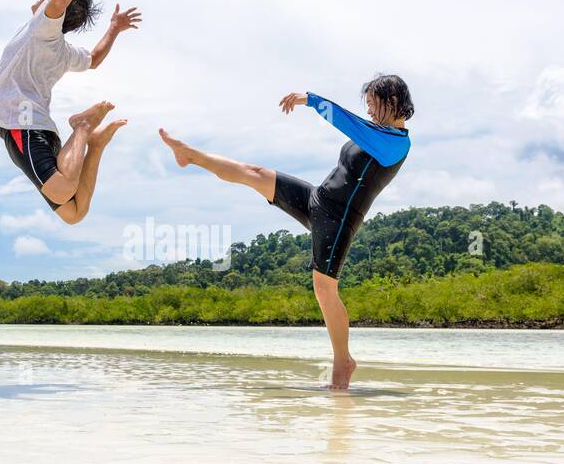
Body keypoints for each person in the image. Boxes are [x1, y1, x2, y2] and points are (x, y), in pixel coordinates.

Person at [158, 75, 413, 390]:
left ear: (393, 101)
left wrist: (313, 100)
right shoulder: (377, 131)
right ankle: (190, 155)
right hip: (317, 199)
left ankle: (342, 362)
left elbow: (349, 124)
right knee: (256, 174)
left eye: (374, 104)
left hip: (338, 220)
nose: (371, 110)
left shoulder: (396, 143)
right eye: (369, 105)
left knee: (324, 290)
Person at [0, 0, 142, 224]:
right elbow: (94, 59)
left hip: (21, 124)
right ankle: (94, 144)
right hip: (39, 128)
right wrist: (114, 30)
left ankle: (82, 126)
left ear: (54, 9)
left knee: (62, 192)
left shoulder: (43, 28)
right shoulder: (60, 51)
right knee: (75, 211)